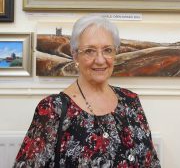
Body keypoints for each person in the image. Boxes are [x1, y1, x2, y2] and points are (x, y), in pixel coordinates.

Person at [13, 14, 161, 167]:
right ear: (75, 55)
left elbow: (152, 163)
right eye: (90, 51)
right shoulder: (53, 109)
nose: (100, 60)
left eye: (107, 50)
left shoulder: (131, 101)